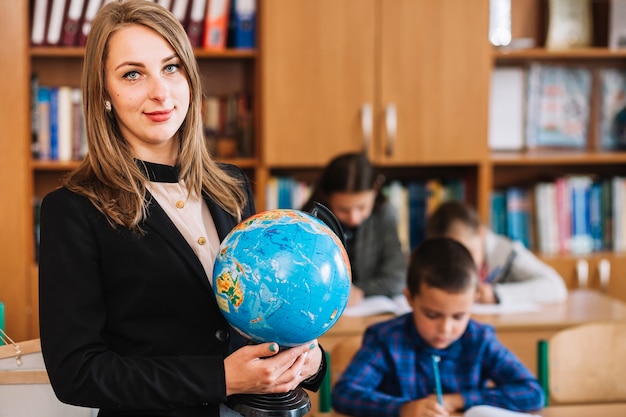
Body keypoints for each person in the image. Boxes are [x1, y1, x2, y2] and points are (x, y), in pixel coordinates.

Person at [38, 2, 325, 416]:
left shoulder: (232, 186)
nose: (160, 92)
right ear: (103, 93)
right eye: (133, 74)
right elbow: (77, 373)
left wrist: (310, 362)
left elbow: (266, 309)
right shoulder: (74, 210)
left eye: (171, 67)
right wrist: (221, 379)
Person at [331, 238, 544, 417]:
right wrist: (403, 408)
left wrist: (459, 400)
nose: (446, 328)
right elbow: (344, 394)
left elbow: (532, 393)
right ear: (410, 299)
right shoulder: (386, 339)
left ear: (473, 302)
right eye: (432, 315)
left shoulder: (480, 339)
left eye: (459, 316)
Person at [302, 152, 407, 306]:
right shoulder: (309, 222)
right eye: (343, 209)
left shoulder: (385, 214)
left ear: (375, 189)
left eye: (362, 207)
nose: (354, 218)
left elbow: (397, 279)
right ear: (327, 197)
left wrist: (359, 291)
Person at [426, 200, 568, 305]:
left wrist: (496, 294)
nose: (459, 262)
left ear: (481, 233)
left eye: (465, 251)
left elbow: (555, 286)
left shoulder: (507, 252)